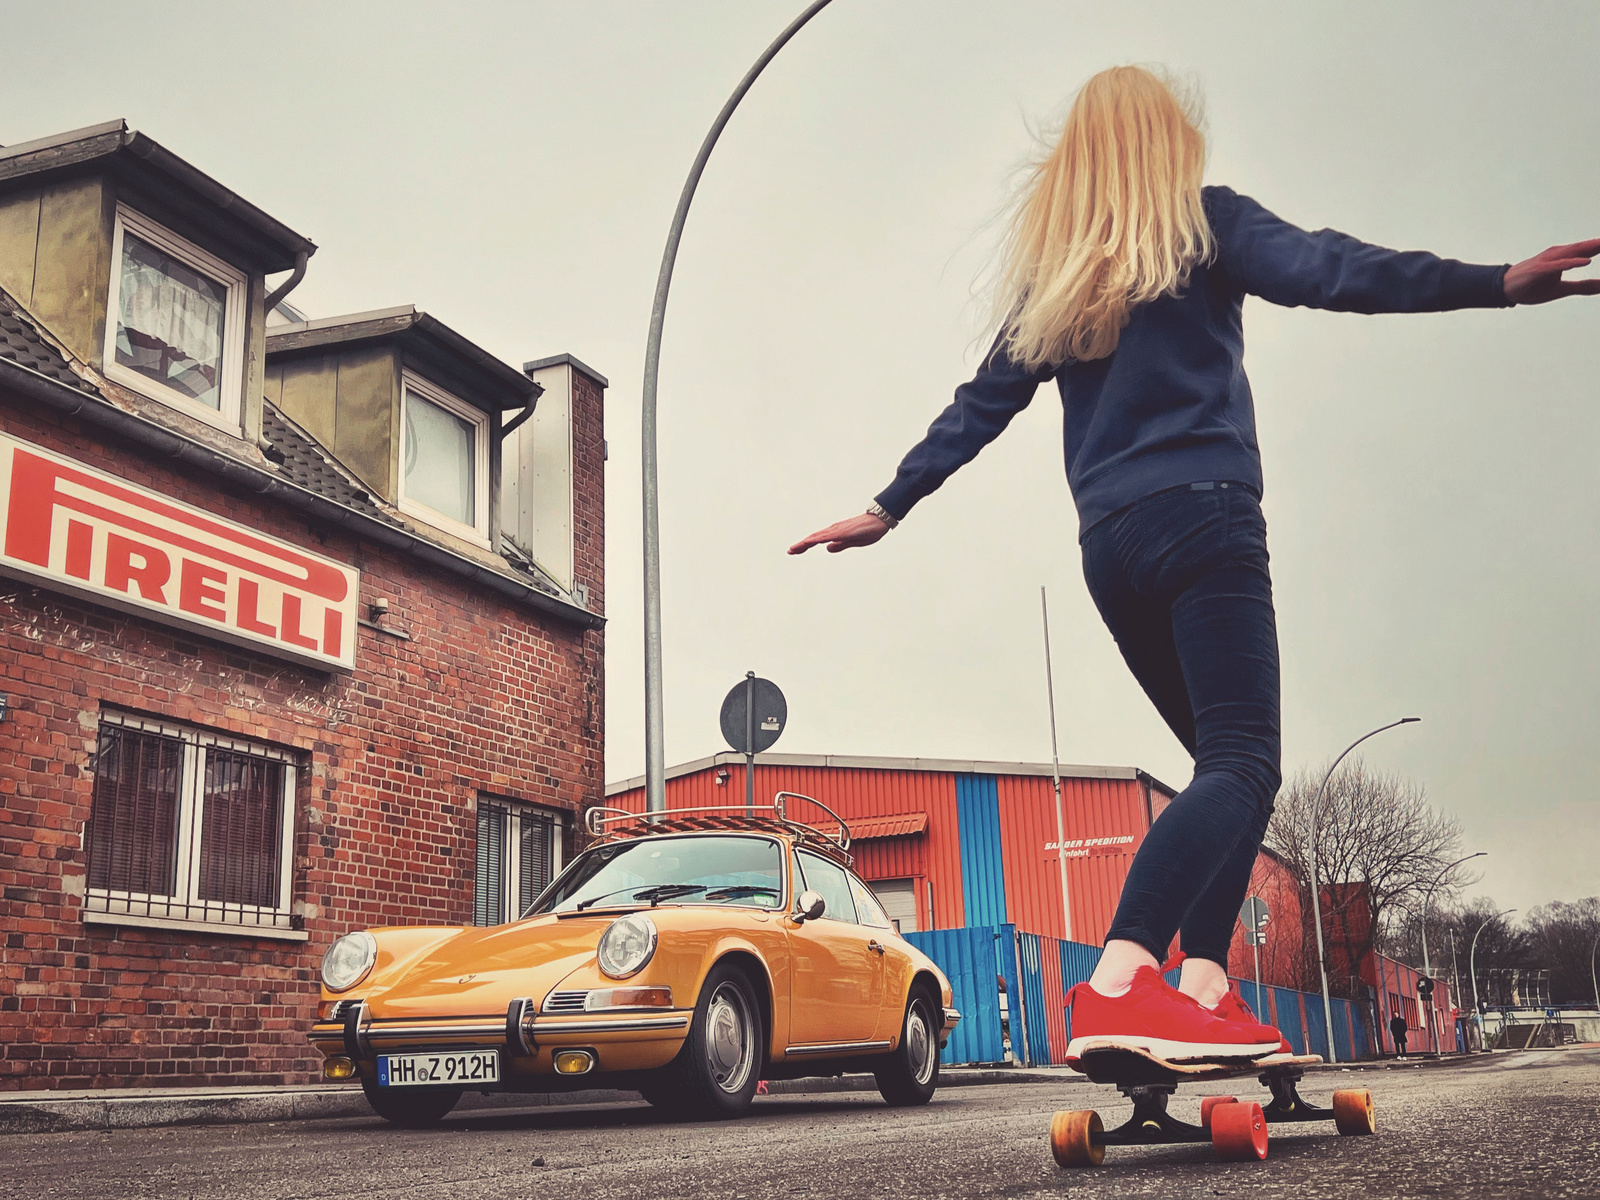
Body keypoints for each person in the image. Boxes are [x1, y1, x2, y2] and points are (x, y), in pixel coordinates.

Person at [789, 66, 1598, 1062]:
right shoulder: (1203, 224)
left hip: (1110, 550)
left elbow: (977, 406)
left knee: (1238, 773)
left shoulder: (1058, 276)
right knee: (1243, 760)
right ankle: (1122, 977)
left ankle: (1204, 987)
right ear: (1165, 145)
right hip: (1204, 521)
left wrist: (888, 503)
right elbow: (1331, 269)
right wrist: (1495, 283)